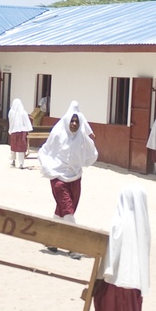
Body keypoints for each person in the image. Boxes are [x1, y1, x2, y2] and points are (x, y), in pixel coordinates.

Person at [86, 185, 150, 311]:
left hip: (111, 283)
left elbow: (107, 257)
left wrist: (96, 280)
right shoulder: (144, 230)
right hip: (131, 286)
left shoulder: (117, 226)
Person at [38, 101, 98, 258]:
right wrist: (49, 167)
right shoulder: (57, 134)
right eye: (71, 120)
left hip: (75, 177)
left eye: (77, 121)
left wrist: (81, 163)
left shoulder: (82, 139)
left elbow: (92, 153)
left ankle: (51, 240)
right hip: (58, 177)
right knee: (68, 209)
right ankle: (74, 245)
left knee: (63, 210)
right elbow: (45, 150)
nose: (74, 124)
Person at [7, 98, 33, 168]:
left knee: (13, 147)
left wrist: (10, 129)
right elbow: (27, 122)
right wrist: (28, 129)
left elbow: (10, 122)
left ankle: (13, 161)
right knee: (21, 148)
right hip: (22, 132)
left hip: (14, 131)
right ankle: (21, 163)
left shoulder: (11, 112)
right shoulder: (23, 112)